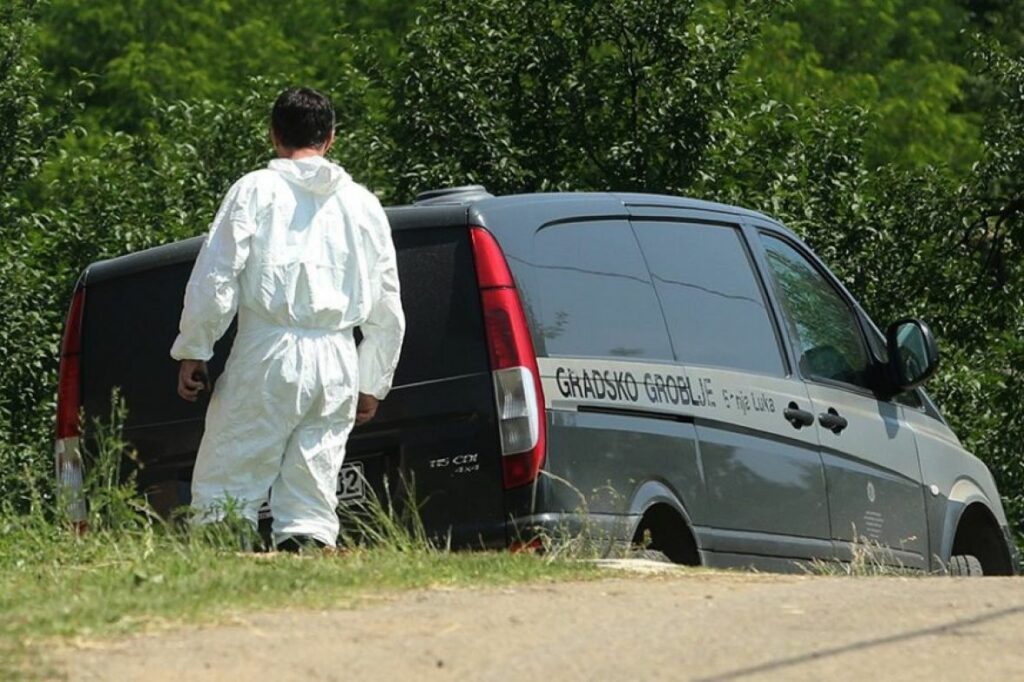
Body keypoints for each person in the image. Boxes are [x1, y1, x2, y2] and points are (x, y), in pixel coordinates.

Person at [170, 87, 405, 551]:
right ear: (331, 138)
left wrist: (196, 347)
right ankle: (305, 585)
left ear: (273, 134)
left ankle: (220, 585)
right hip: (337, 359)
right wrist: (371, 379)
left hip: (267, 351)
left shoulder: (255, 189)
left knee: (229, 478)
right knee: (312, 493)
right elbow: (388, 304)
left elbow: (217, 276)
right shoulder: (363, 205)